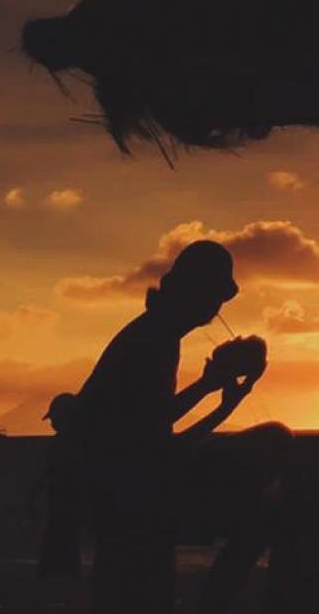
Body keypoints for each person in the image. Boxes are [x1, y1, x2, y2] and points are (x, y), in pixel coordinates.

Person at [74, 239, 291, 614]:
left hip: (116, 490)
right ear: (196, 292)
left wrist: (208, 388)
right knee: (270, 478)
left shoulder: (152, 333)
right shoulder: (155, 341)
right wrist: (224, 405)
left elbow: (153, 423)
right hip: (131, 497)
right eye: (215, 296)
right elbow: (157, 449)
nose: (217, 308)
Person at [28, 392, 84, 580]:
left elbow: (47, 472)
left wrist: (32, 496)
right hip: (71, 504)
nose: (52, 423)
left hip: (63, 504)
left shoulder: (61, 445)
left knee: (60, 539)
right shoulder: (81, 443)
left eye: (54, 418)